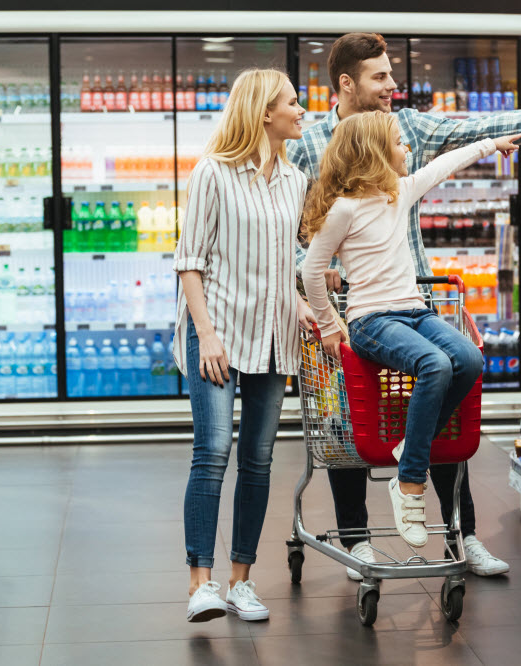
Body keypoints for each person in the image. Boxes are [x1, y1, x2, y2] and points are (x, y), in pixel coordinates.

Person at [288, 32, 521, 578]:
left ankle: (461, 535)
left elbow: (474, 131)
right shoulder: (310, 142)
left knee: (444, 403)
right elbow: (295, 224)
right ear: (346, 83)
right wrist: (315, 281)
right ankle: (358, 540)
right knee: (347, 426)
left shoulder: (409, 128)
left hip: (415, 294)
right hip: (354, 309)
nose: (393, 87)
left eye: (392, 76)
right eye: (380, 78)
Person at [302, 111, 521, 546]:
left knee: (470, 358)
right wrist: (329, 324)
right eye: (399, 143)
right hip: (370, 319)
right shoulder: (343, 209)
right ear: (375, 153)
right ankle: (410, 482)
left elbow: (446, 165)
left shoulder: (398, 193)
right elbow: (312, 272)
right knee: (436, 365)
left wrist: (492, 145)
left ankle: (409, 446)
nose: (407, 150)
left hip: (415, 311)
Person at [173, 68, 316, 624]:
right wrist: (205, 333)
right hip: (219, 332)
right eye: (292, 103)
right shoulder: (212, 172)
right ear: (263, 112)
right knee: (212, 452)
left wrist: (300, 301)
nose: (301, 111)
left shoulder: (296, 180)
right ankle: (200, 583)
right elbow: (189, 260)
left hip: (275, 334)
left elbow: (286, 260)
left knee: (258, 460)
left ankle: (242, 581)